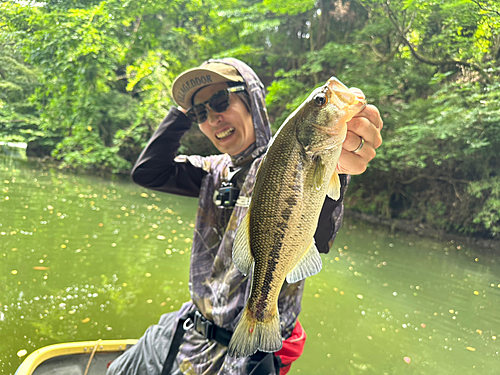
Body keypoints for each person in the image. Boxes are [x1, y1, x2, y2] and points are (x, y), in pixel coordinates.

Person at [107, 58, 383, 375]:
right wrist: (184, 111)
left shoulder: (289, 158)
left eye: (221, 101)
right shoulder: (213, 171)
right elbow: (148, 173)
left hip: (243, 352)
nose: (213, 118)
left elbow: (320, 233)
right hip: (189, 327)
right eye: (201, 114)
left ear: (251, 98)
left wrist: (341, 166)